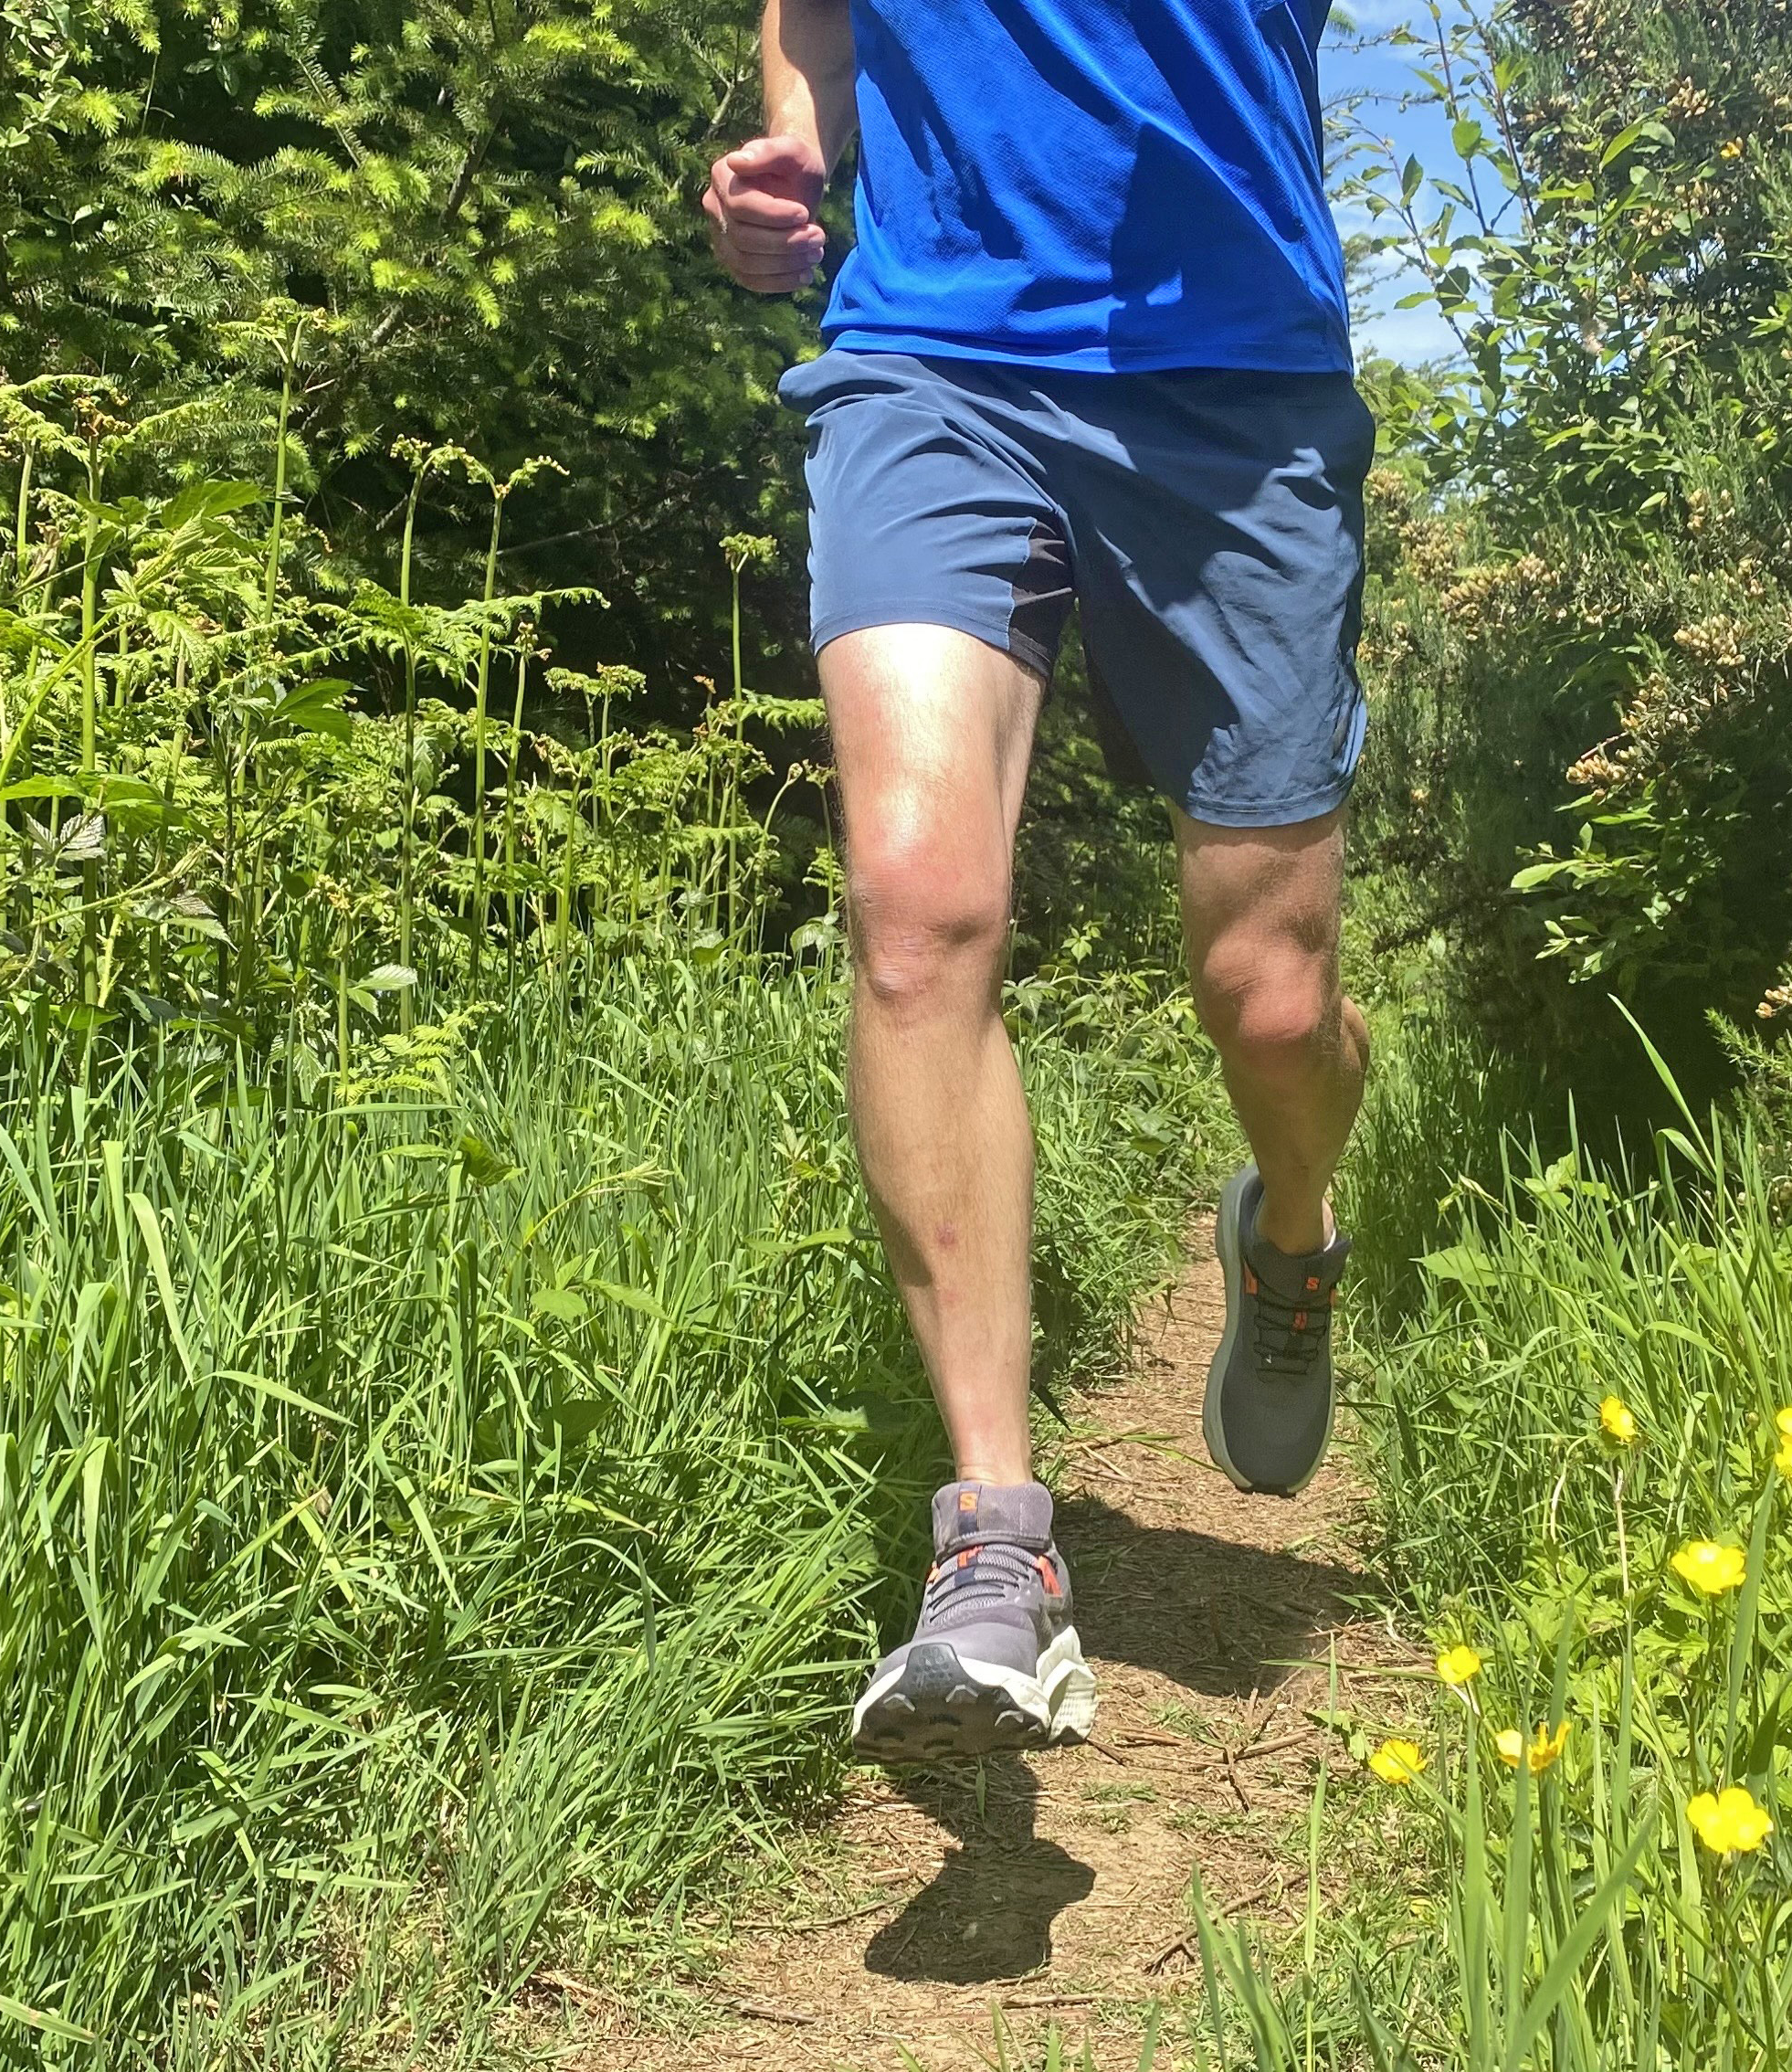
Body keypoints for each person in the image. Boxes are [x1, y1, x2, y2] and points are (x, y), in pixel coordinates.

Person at [702, 0, 1375, 1763]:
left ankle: (1286, 1237)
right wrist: (792, 152)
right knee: (915, 909)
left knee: (1274, 996)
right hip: (933, 360)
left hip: (1237, 400)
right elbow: (815, 24)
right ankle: (993, 1536)